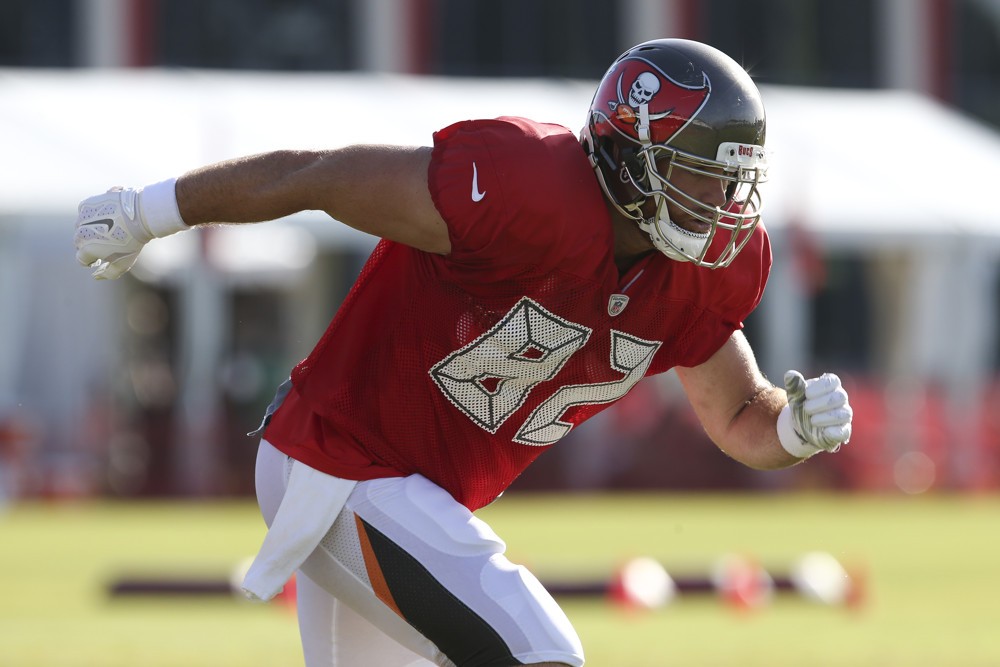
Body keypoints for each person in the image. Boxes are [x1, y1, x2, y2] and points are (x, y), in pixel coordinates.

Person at [74, 39, 853, 667]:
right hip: (344, 461)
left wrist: (795, 429)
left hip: (411, 495)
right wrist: (151, 210)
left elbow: (740, 412)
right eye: (698, 176)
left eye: (732, 183)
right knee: (538, 651)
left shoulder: (701, 274)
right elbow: (319, 176)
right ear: (630, 154)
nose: (722, 207)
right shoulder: (523, 188)